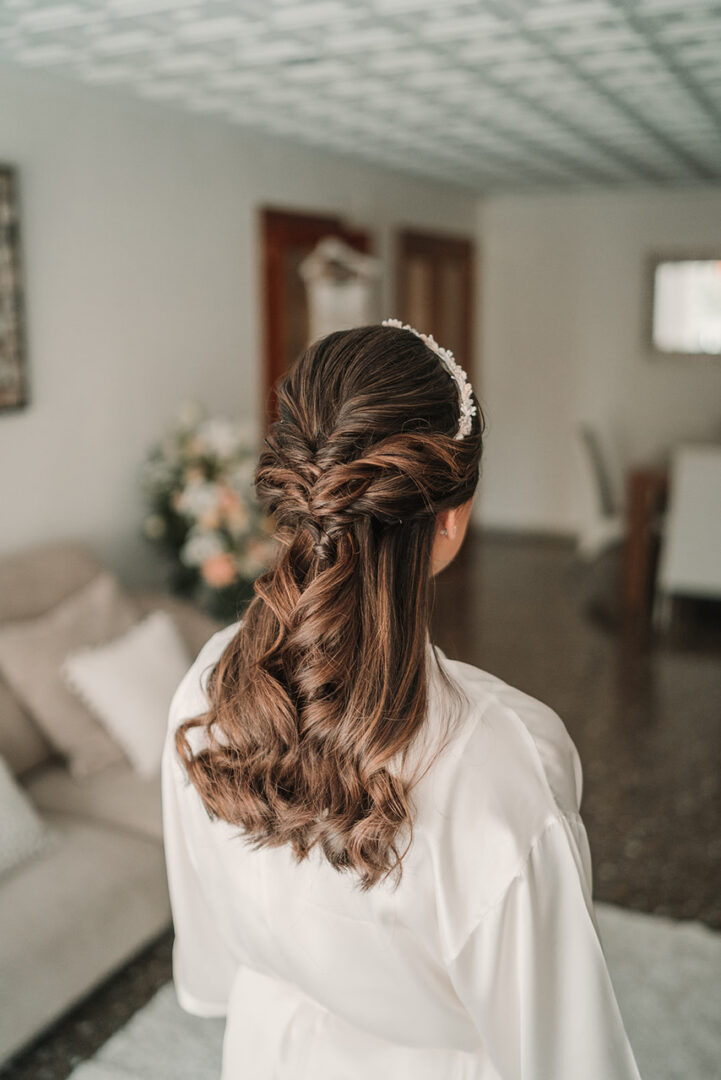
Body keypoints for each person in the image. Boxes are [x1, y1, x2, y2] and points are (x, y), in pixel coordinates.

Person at [161, 321, 642, 1079]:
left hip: (263, 1052)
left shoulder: (209, 684)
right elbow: (561, 1052)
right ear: (449, 520)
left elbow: (211, 948)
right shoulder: (505, 761)